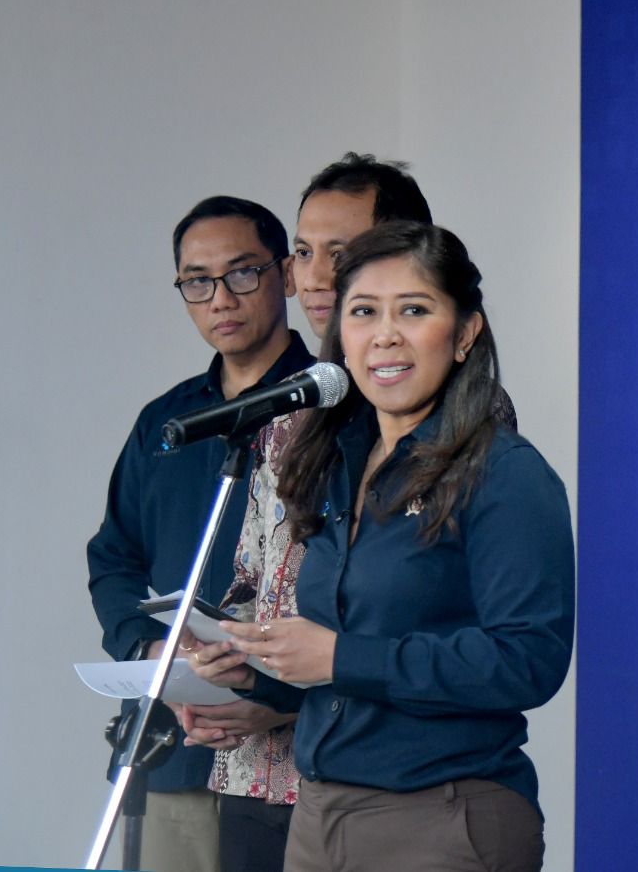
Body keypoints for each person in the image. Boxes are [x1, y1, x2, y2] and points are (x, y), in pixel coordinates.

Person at [187, 221, 574, 872]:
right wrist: (255, 671)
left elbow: (528, 660)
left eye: (414, 311)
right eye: (364, 312)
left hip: (442, 816)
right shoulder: (335, 463)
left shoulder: (505, 474)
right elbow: (344, 675)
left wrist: (340, 656)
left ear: (465, 334)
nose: (385, 334)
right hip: (319, 815)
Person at [175, 154, 439, 872]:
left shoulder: (452, 419)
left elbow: (430, 608)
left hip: (383, 778)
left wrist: (285, 694)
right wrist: (215, 660)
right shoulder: (290, 411)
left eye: (341, 252)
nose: (315, 275)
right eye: (303, 251)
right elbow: (252, 578)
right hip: (256, 774)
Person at [86, 195, 315, 872]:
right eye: (197, 281)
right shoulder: (168, 422)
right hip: (183, 747)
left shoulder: (336, 408)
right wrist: (152, 648)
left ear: (286, 274)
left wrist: (280, 694)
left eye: (242, 272)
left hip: (301, 760)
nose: (221, 298)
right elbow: (114, 557)